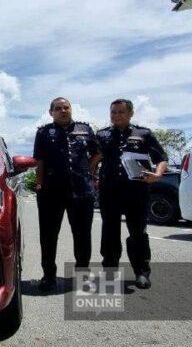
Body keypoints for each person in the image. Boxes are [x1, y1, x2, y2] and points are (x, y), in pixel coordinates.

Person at [94, 99, 168, 289]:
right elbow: (93, 158)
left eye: (120, 112)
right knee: (110, 233)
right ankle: (109, 272)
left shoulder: (143, 134)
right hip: (109, 192)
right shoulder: (102, 135)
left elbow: (161, 157)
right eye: (113, 112)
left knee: (138, 233)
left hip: (136, 191)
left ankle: (142, 272)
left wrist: (157, 175)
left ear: (131, 114)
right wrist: (91, 176)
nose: (116, 115)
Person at [33, 97, 100, 292]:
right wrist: (39, 183)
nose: (63, 111)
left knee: (82, 235)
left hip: (81, 191)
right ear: (51, 112)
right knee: (48, 236)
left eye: (66, 107)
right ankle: (48, 276)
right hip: (51, 192)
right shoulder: (44, 132)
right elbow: (40, 160)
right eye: (58, 108)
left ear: (71, 109)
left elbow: (97, 152)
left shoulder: (85, 129)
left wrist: (90, 171)